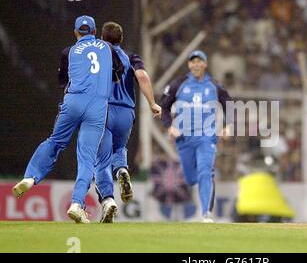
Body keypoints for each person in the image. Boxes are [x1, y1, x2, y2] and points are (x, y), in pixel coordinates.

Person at [12, 15, 115, 223]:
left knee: (55, 141)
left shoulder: (68, 52)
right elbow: (114, 75)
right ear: (95, 32)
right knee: (86, 158)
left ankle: (30, 177)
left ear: (76, 33)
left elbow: (63, 81)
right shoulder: (107, 48)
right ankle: (77, 204)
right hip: (97, 105)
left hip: (73, 101)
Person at [93, 21, 161, 223]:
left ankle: (108, 200)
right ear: (121, 39)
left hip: (103, 110)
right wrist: (152, 103)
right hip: (126, 112)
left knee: (101, 158)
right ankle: (122, 169)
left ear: (102, 38)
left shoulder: (95, 56)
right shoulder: (131, 57)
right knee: (119, 147)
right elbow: (141, 75)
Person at [161, 50, 232, 223]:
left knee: (205, 172)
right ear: (189, 65)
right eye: (193, 62)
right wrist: (169, 126)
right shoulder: (178, 84)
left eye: (200, 61)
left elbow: (229, 105)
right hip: (184, 139)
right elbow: (164, 106)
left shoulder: (215, 85)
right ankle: (202, 186)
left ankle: (207, 213)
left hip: (207, 137)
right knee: (191, 178)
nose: (196, 64)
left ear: (205, 64)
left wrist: (227, 126)